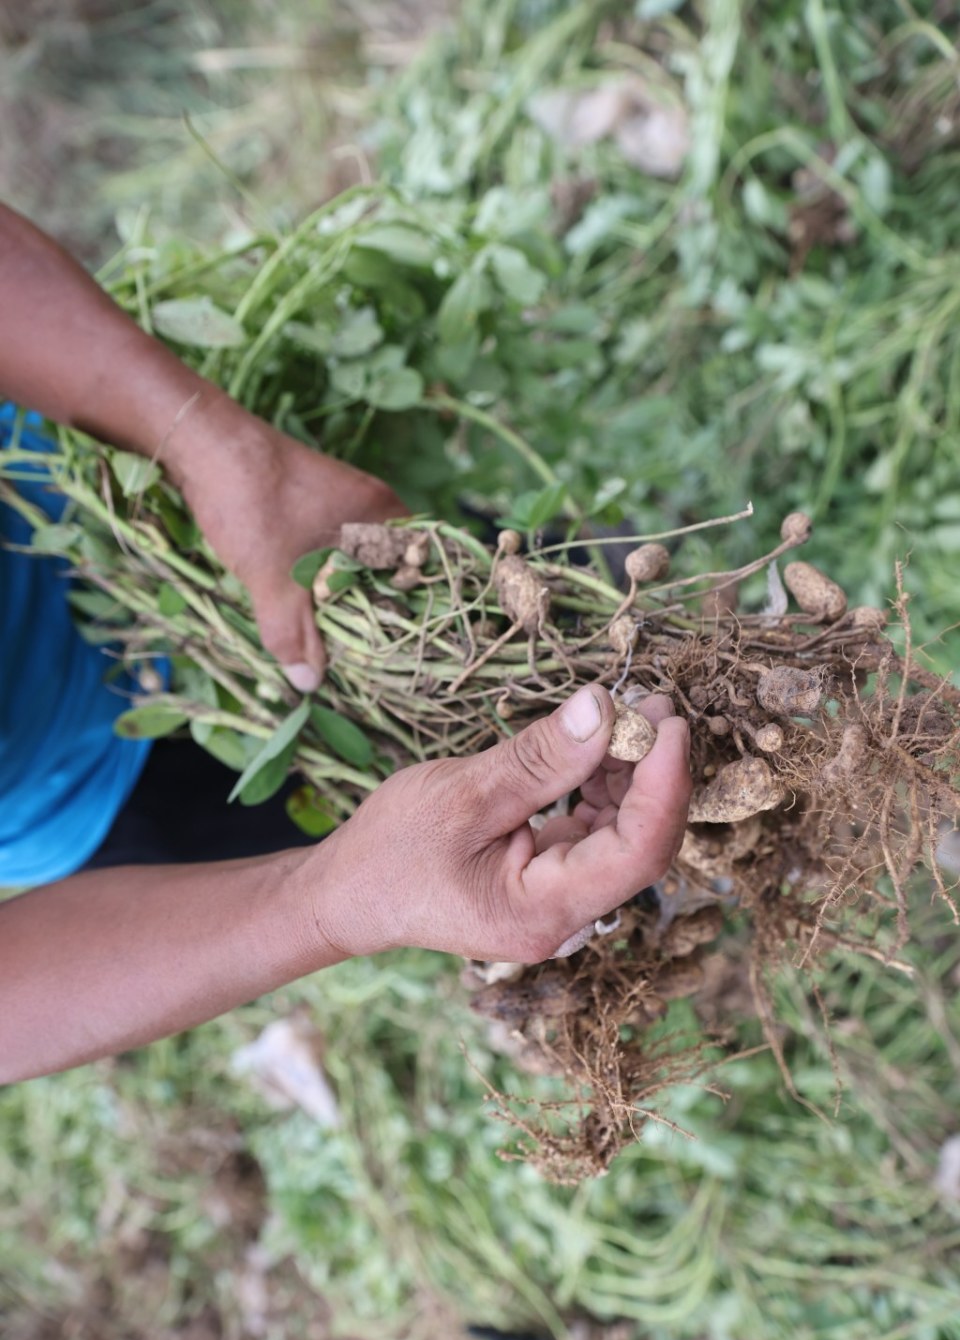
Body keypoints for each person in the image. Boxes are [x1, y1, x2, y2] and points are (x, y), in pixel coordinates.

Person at [0, 203, 692, 1085]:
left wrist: (209, 444)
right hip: (96, 795)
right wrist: (326, 903)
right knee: (465, 843)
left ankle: (679, 672)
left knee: (524, 617)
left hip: (97, 447)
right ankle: (669, 909)